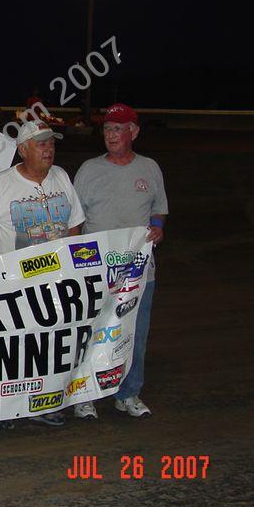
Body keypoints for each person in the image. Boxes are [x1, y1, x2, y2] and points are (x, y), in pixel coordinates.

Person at [0, 119, 85, 427]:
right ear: (23, 150)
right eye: (41, 144)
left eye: (51, 143)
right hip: (14, 283)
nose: (49, 149)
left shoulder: (61, 176)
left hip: (54, 282)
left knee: (49, 344)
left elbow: (75, 221)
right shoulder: (3, 183)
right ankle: (2, 409)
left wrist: (71, 263)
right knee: (10, 346)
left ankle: (46, 403)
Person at [72, 103, 168, 420]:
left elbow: (159, 209)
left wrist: (158, 228)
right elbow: (74, 220)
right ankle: (84, 395)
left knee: (134, 334)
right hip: (97, 272)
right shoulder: (88, 170)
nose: (111, 135)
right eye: (107, 129)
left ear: (134, 132)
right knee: (91, 333)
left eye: (118, 128)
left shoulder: (150, 168)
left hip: (139, 273)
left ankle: (128, 393)